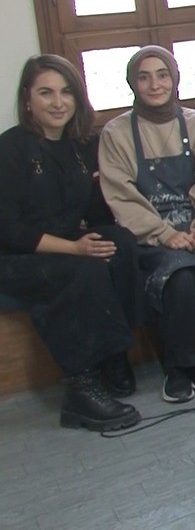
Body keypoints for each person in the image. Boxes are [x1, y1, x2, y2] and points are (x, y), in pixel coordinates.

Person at [0, 55, 142, 431]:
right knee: (82, 268)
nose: (58, 102)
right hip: (17, 256)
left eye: (66, 93)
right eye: (46, 93)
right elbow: (8, 230)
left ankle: (114, 355)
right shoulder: (10, 149)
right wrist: (75, 248)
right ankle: (81, 386)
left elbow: (96, 213)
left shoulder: (84, 144)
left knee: (122, 246)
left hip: (66, 239)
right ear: (27, 99)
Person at [100, 47, 195, 404]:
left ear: (174, 79)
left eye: (162, 75)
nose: (155, 84)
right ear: (133, 83)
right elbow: (121, 196)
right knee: (178, 280)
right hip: (150, 232)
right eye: (144, 77)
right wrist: (165, 233)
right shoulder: (115, 133)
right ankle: (179, 367)